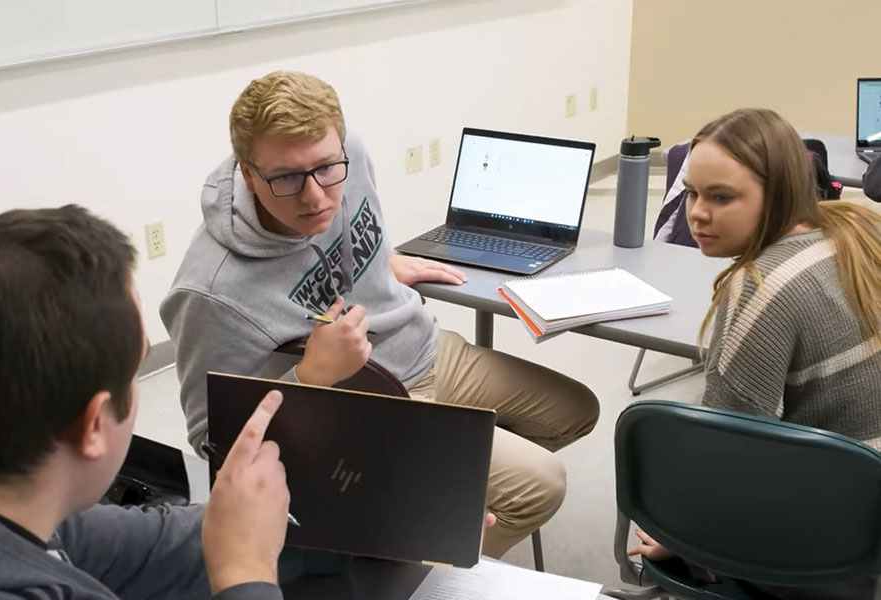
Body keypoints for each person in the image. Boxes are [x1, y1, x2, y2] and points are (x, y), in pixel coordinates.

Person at [160, 70, 600, 557]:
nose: (316, 196)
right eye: (286, 178)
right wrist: (310, 377)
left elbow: (336, 235)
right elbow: (212, 443)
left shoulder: (352, 154)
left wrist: (382, 260)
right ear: (247, 174)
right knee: (540, 485)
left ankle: (432, 497)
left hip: (427, 348)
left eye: (327, 169)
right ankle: (413, 564)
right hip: (369, 406)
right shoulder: (210, 291)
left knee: (578, 410)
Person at [629, 108, 881, 598]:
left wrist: (679, 538)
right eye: (691, 193)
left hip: (822, 539)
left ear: (779, 193)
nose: (696, 213)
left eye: (721, 197)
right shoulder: (855, 230)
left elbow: (730, 457)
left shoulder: (760, 287)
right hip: (865, 518)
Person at [0, 205, 292, 599]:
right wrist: (246, 572)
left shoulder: (30, 518)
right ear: (94, 425)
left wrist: (245, 516)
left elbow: (160, 541)